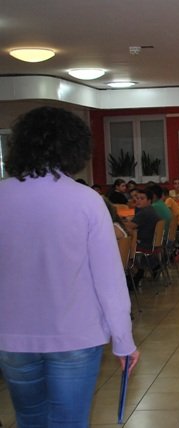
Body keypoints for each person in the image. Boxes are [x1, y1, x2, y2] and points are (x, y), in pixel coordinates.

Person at [0, 106, 139, 427]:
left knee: (29, 420)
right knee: (69, 422)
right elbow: (109, 280)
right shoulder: (86, 200)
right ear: (74, 146)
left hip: (12, 336)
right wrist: (123, 340)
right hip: (75, 335)